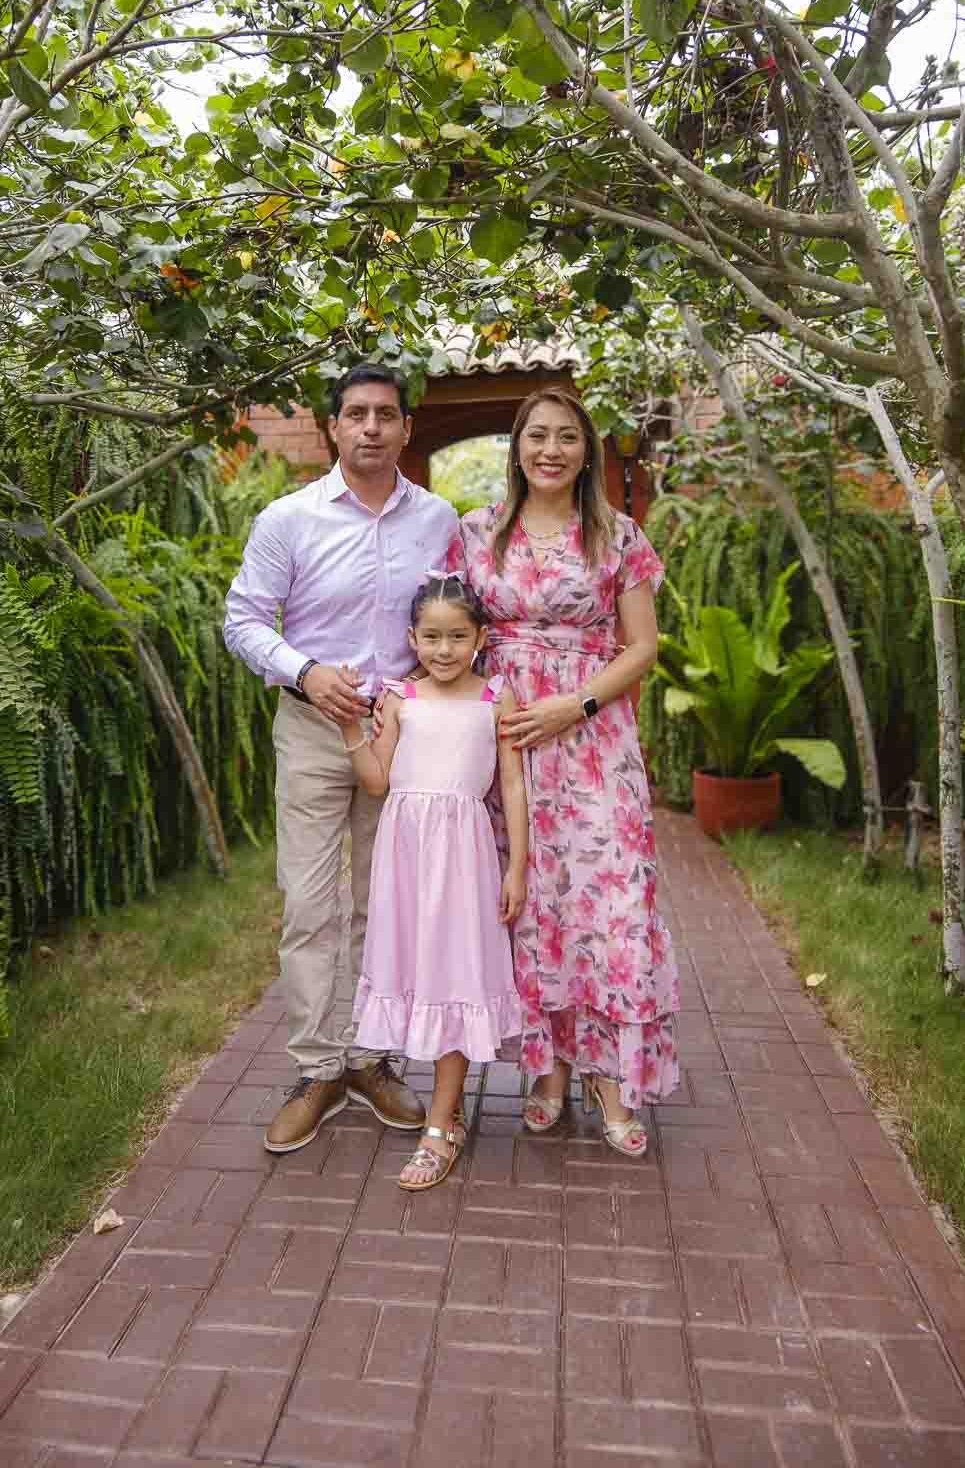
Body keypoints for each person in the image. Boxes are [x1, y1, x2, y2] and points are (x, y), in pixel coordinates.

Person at [223, 363, 458, 1154]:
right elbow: (244, 620)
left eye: (385, 414)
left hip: (400, 735)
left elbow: (457, 621)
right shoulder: (287, 519)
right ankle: (317, 1069)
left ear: (406, 428)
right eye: (356, 414)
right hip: (313, 728)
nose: (371, 428)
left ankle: (370, 1059)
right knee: (310, 901)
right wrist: (305, 672)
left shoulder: (438, 521)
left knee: (384, 902)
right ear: (333, 427)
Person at [446, 386, 679, 1157]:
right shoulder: (475, 531)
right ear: (517, 447)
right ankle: (546, 1072)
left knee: (609, 903)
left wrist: (571, 707)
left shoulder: (618, 535)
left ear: (587, 452)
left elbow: (643, 647)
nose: (551, 449)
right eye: (537, 435)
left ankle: (610, 1078)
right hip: (506, 737)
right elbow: (446, 630)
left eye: (567, 437)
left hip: (593, 739)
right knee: (531, 905)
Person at [342, 572, 526, 1191]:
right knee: (417, 974)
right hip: (405, 861)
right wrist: (349, 729)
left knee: (455, 978)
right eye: (431, 637)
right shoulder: (400, 697)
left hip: (464, 863)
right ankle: (445, 1110)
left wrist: (517, 866)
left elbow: (512, 785)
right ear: (412, 638)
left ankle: (441, 1125)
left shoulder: (495, 698)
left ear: (480, 639)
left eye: (457, 637)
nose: (443, 650)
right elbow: (376, 781)